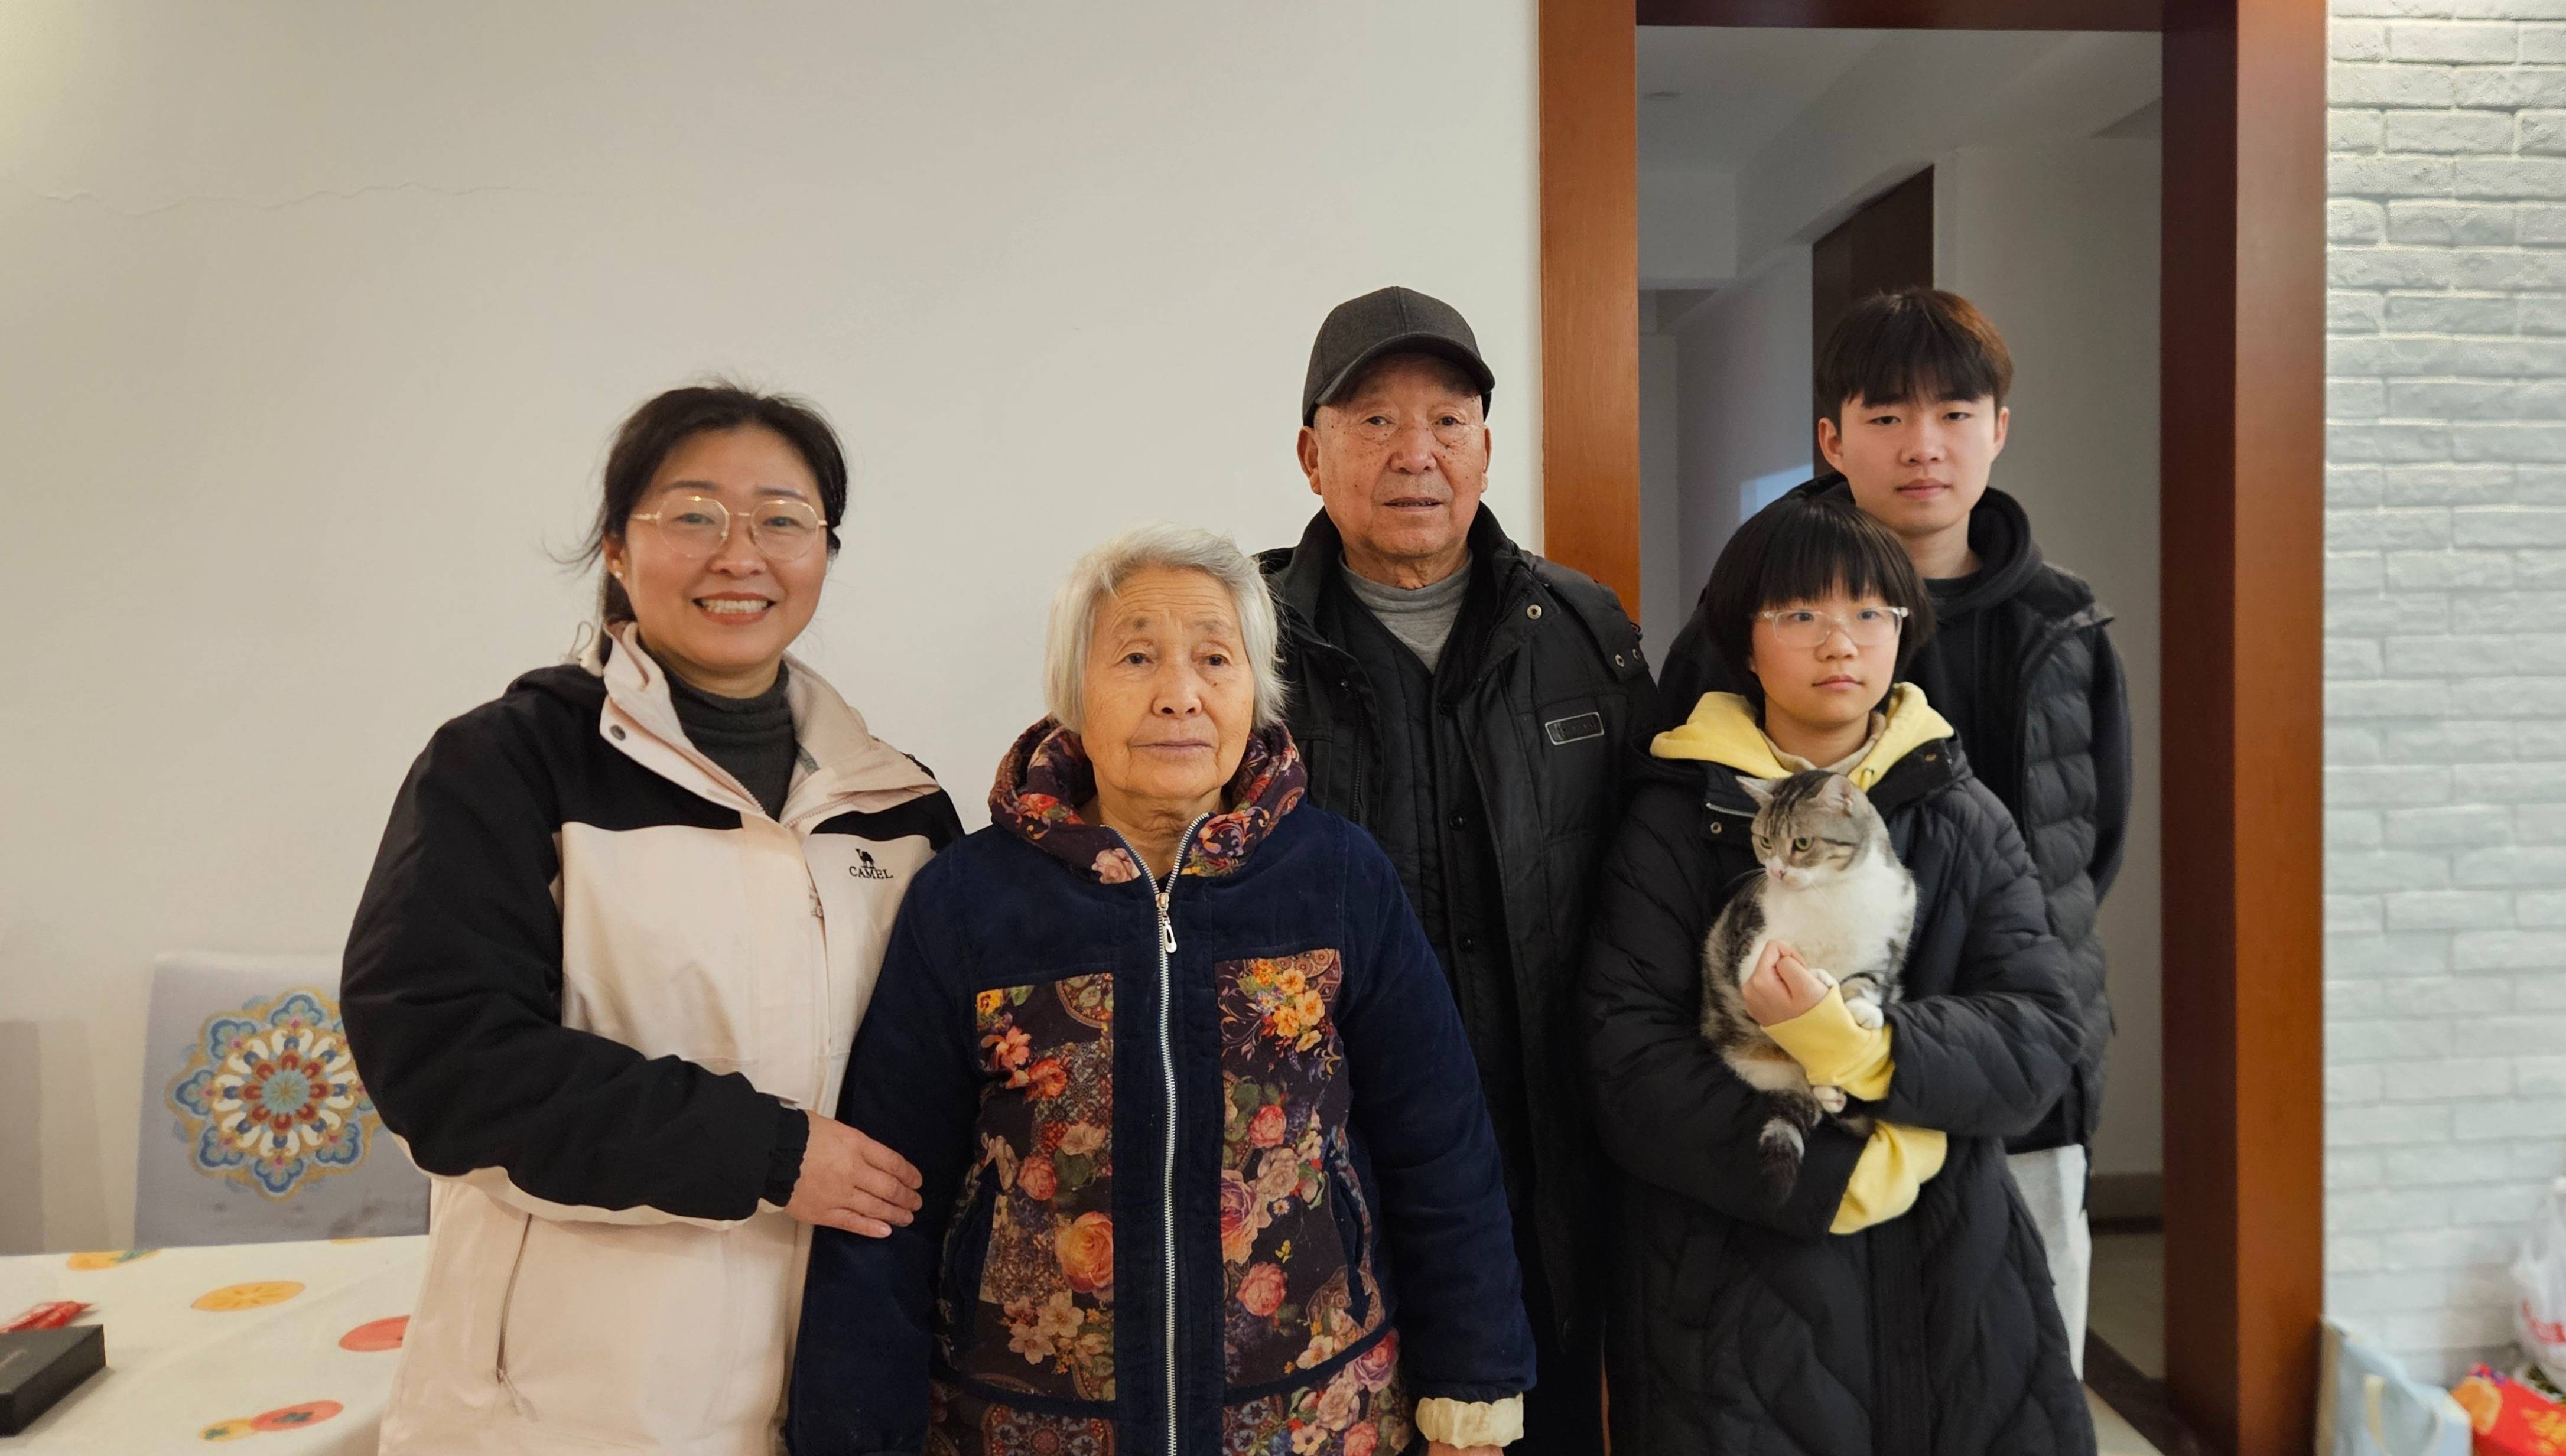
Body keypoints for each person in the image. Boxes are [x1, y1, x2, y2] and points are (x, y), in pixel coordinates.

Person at [786, 524, 1535, 1456]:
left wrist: (1472, 1397)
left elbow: (1442, 1149)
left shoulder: (1339, 878)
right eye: (1137, 657)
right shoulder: (969, 902)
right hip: (1021, 1432)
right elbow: (885, 1198)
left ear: (1255, 690)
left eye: (1215, 658)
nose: (1180, 693)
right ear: (1074, 693)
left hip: (1318, 1423)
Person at [343, 384, 962, 1455]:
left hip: (836, 1397)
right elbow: (440, 1057)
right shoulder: (510, 765)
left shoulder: (899, 806)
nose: (740, 553)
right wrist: (769, 1152)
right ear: (619, 550)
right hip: (567, 1410)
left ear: (823, 552)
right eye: (693, 515)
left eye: (781, 519)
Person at [1654, 288, 2129, 1363]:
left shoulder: (2062, 624)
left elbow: (2086, 854)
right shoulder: (1744, 622)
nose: (1925, 445)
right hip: (1803, 1095)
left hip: (2011, 1095)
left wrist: (1967, 1037)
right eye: (1886, 416)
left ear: (1998, 428)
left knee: (2014, 1385)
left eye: (1956, 413)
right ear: (1833, 439)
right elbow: (1687, 843)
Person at [1584, 492, 2093, 1454]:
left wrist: (1870, 1050)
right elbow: (1627, 1061)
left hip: (1956, 1275)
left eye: (1870, 611)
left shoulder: (1962, 813)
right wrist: (1824, 1177)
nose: (1840, 642)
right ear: (1743, 639)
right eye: (1800, 613)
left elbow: (2040, 1034)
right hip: (1738, 1287)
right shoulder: (1677, 817)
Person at [1260, 287, 1653, 1451]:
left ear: (1485, 445)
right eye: (1375, 421)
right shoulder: (1243, 645)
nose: (1415, 453)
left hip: (1556, 1170)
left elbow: (1657, 885)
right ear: (1311, 454)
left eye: (1447, 419)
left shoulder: (1584, 634)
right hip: (1325, 1171)